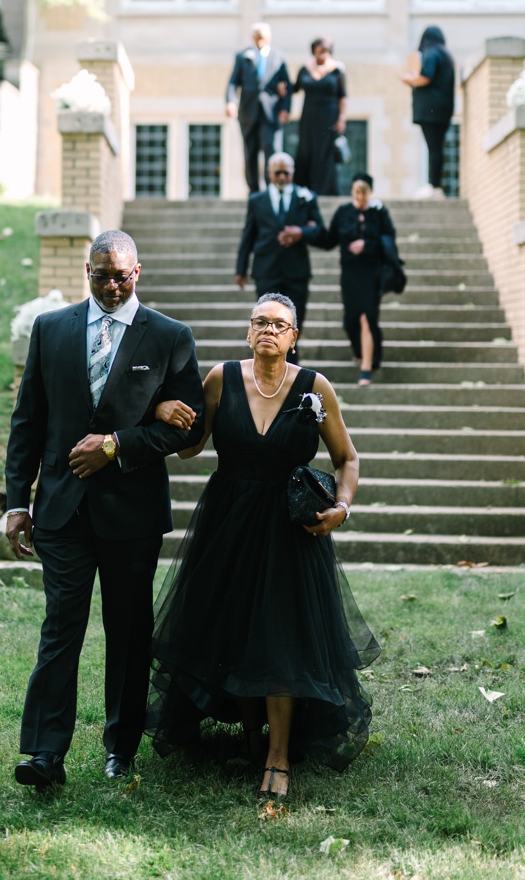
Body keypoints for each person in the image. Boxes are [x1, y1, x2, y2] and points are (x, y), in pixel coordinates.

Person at [145, 294, 380, 800]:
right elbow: (189, 446)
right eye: (260, 322)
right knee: (232, 629)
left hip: (290, 532)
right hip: (228, 525)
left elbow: (348, 458)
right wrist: (160, 406)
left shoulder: (316, 388)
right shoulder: (219, 379)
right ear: (248, 331)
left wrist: (342, 506)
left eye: (279, 324)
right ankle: (251, 736)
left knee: (280, 639)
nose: (268, 330)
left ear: (294, 336)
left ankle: (277, 756)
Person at [4, 230, 205, 790]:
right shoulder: (52, 329)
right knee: (60, 629)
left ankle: (121, 748)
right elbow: (28, 422)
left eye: (122, 276)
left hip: (132, 512)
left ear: (138, 272)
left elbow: (189, 433)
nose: (112, 285)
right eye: (101, 275)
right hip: (62, 512)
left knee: (128, 632)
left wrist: (118, 443)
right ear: (85, 271)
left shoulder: (170, 337)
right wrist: (18, 501)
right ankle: (43, 754)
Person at [235, 152, 325, 365]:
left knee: (293, 322)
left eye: (286, 172)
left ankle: (293, 368)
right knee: (266, 320)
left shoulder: (306, 197)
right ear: (269, 173)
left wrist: (301, 232)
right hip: (266, 269)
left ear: (293, 173)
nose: (282, 177)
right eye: (278, 172)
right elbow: (248, 235)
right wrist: (241, 268)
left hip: (296, 271)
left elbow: (321, 231)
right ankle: (264, 364)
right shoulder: (257, 200)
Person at [321, 173, 397, 386]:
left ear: (369, 193)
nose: (360, 197)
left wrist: (367, 245)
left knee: (368, 318)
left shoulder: (379, 214)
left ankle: (365, 369)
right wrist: (308, 232)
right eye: (356, 192)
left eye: (363, 193)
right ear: (352, 192)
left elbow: (389, 240)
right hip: (350, 272)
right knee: (351, 319)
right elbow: (329, 240)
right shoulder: (344, 212)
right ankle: (361, 351)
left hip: (372, 271)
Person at [226, 23, 291, 193]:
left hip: (271, 113)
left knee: (271, 149)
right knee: (250, 152)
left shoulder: (279, 57)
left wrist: (285, 109)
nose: (260, 39)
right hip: (248, 112)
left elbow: (287, 86)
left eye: (263, 36)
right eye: (257, 36)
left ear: (269, 37)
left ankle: (272, 188)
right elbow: (233, 82)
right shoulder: (243, 57)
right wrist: (230, 101)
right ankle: (253, 190)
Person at [401, 26, 455, 198]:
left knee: (433, 148)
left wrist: (408, 79)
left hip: (430, 110)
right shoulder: (446, 55)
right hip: (443, 109)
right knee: (437, 147)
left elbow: (425, 76)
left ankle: (434, 186)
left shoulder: (431, 54)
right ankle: (436, 185)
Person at [292, 37, 347, 197]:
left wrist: (342, 118)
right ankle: (305, 189)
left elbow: (343, 96)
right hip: (309, 117)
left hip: (329, 117)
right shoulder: (305, 69)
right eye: (317, 52)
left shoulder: (337, 70)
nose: (320, 55)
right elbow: (294, 88)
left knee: (325, 153)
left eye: (323, 52)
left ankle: (325, 191)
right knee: (306, 150)